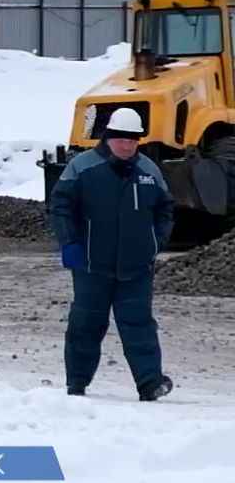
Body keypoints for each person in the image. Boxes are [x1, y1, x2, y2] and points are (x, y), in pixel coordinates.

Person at [47, 107, 176, 401]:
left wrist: (155, 243)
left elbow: (165, 209)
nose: (127, 146)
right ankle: (76, 384)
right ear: (108, 137)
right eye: (121, 140)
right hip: (92, 265)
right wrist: (69, 243)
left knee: (139, 324)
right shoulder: (82, 167)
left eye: (133, 141)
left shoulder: (149, 171)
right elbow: (61, 207)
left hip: (136, 268)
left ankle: (150, 383)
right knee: (86, 324)